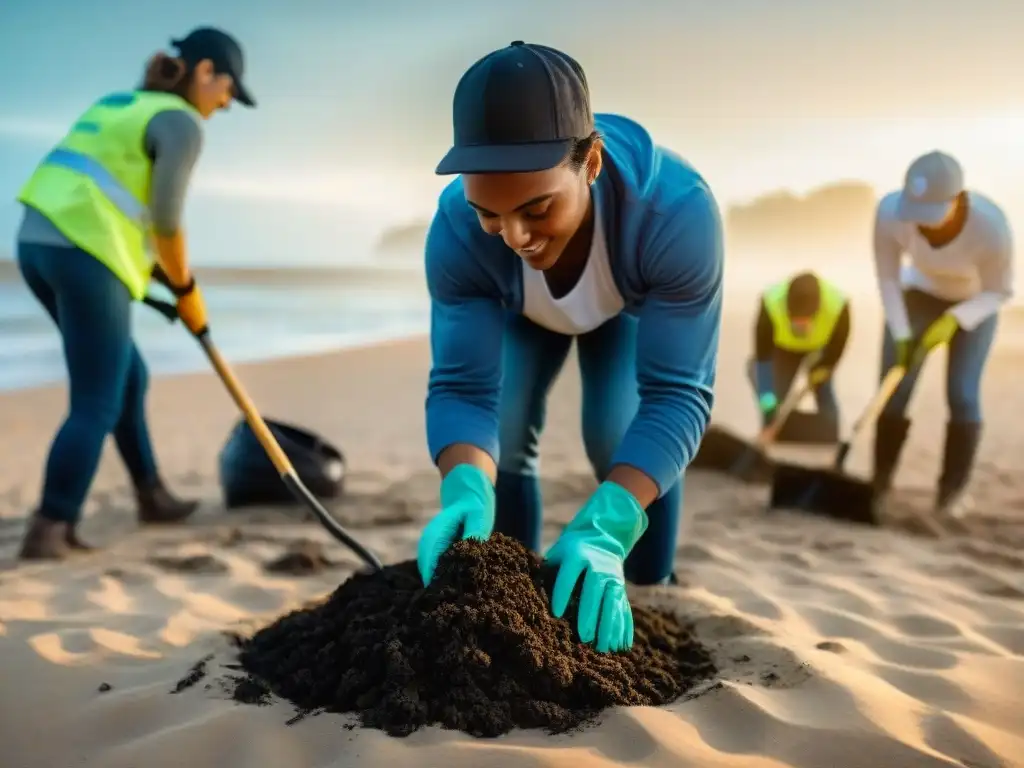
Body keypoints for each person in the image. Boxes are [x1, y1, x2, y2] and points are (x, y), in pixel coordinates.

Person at [416, 42, 723, 653]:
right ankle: (508, 591)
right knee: (502, 430)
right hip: (520, 312)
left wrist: (606, 530)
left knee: (617, 433)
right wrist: (465, 487)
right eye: (490, 213)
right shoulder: (458, 230)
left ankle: (652, 584)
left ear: (592, 163)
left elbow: (678, 396)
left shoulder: (677, 214)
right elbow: (462, 387)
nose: (517, 236)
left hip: (624, 304)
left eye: (537, 208)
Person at [13, 27, 256, 560]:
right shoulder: (181, 123)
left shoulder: (122, 104)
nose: (225, 104)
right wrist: (186, 288)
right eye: (228, 90)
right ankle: (50, 527)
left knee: (130, 374)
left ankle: (152, 496)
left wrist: (154, 281)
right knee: (96, 399)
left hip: (36, 244)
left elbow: (107, 198)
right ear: (205, 71)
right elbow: (166, 221)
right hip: (85, 253)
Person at [872, 151, 1013, 514]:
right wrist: (902, 333)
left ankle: (950, 496)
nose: (924, 225)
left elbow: (999, 290)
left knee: (962, 394)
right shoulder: (889, 213)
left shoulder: (991, 227)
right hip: (916, 296)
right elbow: (888, 278)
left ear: (959, 199)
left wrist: (956, 320)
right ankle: (879, 484)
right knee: (894, 388)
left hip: (974, 303)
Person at [749, 271, 850, 426]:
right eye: (796, 320)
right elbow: (763, 356)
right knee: (772, 399)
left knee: (824, 391)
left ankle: (831, 432)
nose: (800, 326)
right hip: (783, 349)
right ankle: (771, 427)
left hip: (820, 350)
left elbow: (839, 343)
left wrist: (826, 366)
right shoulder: (771, 303)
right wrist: (767, 399)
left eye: (805, 321)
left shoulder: (837, 305)